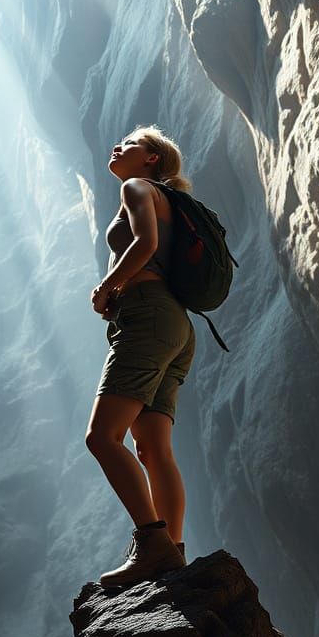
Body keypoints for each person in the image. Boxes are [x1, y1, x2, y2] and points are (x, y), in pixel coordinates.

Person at [85, 125, 196, 587]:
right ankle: (173, 554)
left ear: (152, 159)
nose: (118, 146)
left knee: (102, 437)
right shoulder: (173, 202)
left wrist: (106, 286)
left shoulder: (137, 188)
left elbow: (144, 244)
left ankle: (152, 545)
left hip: (149, 318)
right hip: (176, 327)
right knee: (153, 449)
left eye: (131, 143)